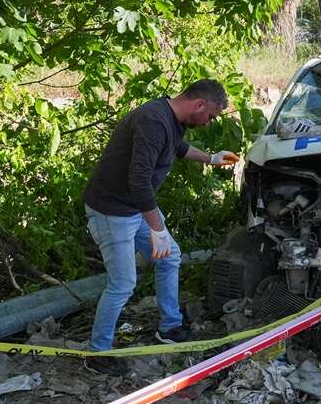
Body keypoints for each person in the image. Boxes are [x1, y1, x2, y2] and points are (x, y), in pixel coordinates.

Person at [82, 79, 238, 375]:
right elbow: (138, 181)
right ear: (199, 104)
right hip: (112, 209)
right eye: (211, 116)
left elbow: (177, 147)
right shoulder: (153, 120)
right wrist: (158, 229)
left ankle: (170, 327)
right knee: (123, 283)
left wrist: (210, 158)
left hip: (135, 208)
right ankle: (97, 354)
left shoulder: (171, 119)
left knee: (170, 258)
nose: (208, 123)